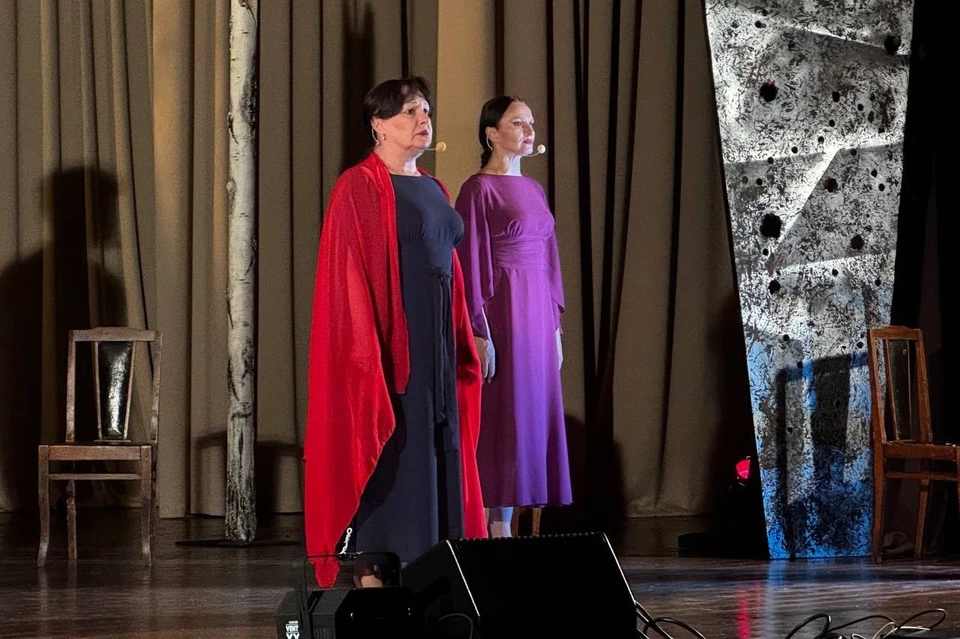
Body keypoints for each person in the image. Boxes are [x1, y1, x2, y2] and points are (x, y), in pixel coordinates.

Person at [303, 77, 486, 587]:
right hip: (390, 350)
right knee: (394, 459)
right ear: (379, 124)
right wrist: (368, 358)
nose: (423, 119)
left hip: (439, 346)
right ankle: (374, 591)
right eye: (410, 111)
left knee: (436, 456)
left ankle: (429, 587)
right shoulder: (358, 186)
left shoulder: (433, 186)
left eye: (426, 110)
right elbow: (345, 278)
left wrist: (472, 331)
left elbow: (450, 268)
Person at [454, 96, 573, 538]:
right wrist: (479, 330)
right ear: (491, 133)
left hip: (538, 309)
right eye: (518, 122)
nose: (529, 131)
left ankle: (521, 524)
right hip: (503, 308)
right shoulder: (478, 189)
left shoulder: (535, 190)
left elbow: (550, 259)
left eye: (531, 123)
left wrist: (555, 327)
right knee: (506, 411)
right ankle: (497, 526)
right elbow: (469, 262)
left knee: (534, 413)